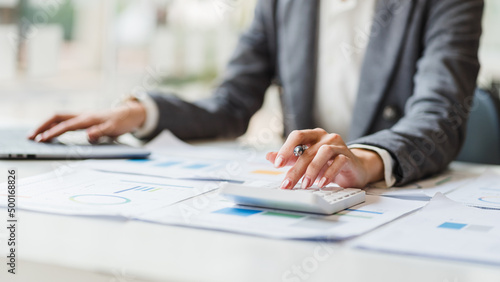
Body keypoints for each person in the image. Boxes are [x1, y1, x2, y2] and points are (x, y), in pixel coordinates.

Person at [29, 0, 483, 190]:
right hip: (303, 201)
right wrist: (143, 112)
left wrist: (366, 157)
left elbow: (442, 113)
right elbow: (230, 105)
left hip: (392, 196)